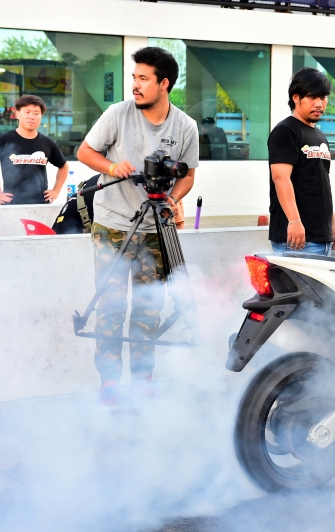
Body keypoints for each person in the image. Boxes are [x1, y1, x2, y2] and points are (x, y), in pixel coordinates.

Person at [76, 47, 200, 408]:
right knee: (111, 307)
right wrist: (112, 167)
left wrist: (173, 199)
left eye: (143, 78)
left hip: (156, 228)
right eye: (135, 77)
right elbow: (85, 152)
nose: (135, 84)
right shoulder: (118, 114)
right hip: (113, 226)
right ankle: (109, 383)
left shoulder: (185, 126)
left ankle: (144, 379)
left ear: (165, 84)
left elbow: (188, 175)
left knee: (149, 307)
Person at [268, 67, 335, 255]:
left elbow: (322, 183)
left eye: (323, 97)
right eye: (312, 97)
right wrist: (294, 221)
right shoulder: (286, 131)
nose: (319, 103)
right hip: (297, 239)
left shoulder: (319, 135)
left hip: (321, 237)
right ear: (296, 98)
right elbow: (281, 178)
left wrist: (331, 223)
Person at [0, 95, 68, 205]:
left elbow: (64, 166)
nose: (31, 117)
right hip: (11, 204)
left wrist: (56, 191)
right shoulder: (4, 140)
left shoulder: (47, 143)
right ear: (17, 114)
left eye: (36, 113)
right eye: (27, 112)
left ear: (41, 116)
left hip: (40, 203)